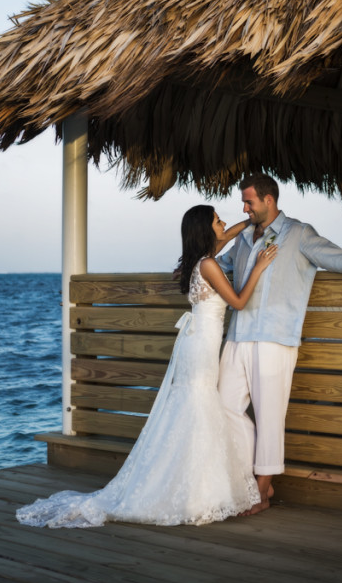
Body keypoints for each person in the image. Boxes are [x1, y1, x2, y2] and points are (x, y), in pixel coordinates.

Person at [16, 205, 277, 528]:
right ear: (206, 230)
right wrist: (259, 268)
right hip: (201, 348)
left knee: (195, 407)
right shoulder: (209, 264)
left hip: (197, 344)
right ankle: (196, 492)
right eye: (217, 220)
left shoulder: (200, 260)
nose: (224, 223)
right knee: (198, 407)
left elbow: (223, 239)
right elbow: (238, 301)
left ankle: (193, 485)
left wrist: (246, 222)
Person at [217, 173, 342, 514]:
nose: (243, 207)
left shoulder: (298, 234)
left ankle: (261, 490)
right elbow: (221, 267)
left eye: (248, 201)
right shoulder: (243, 239)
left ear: (269, 200)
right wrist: (191, 266)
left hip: (275, 338)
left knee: (270, 418)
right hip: (237, 335)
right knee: (222, 409)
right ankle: (241, 475)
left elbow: (337, 256)